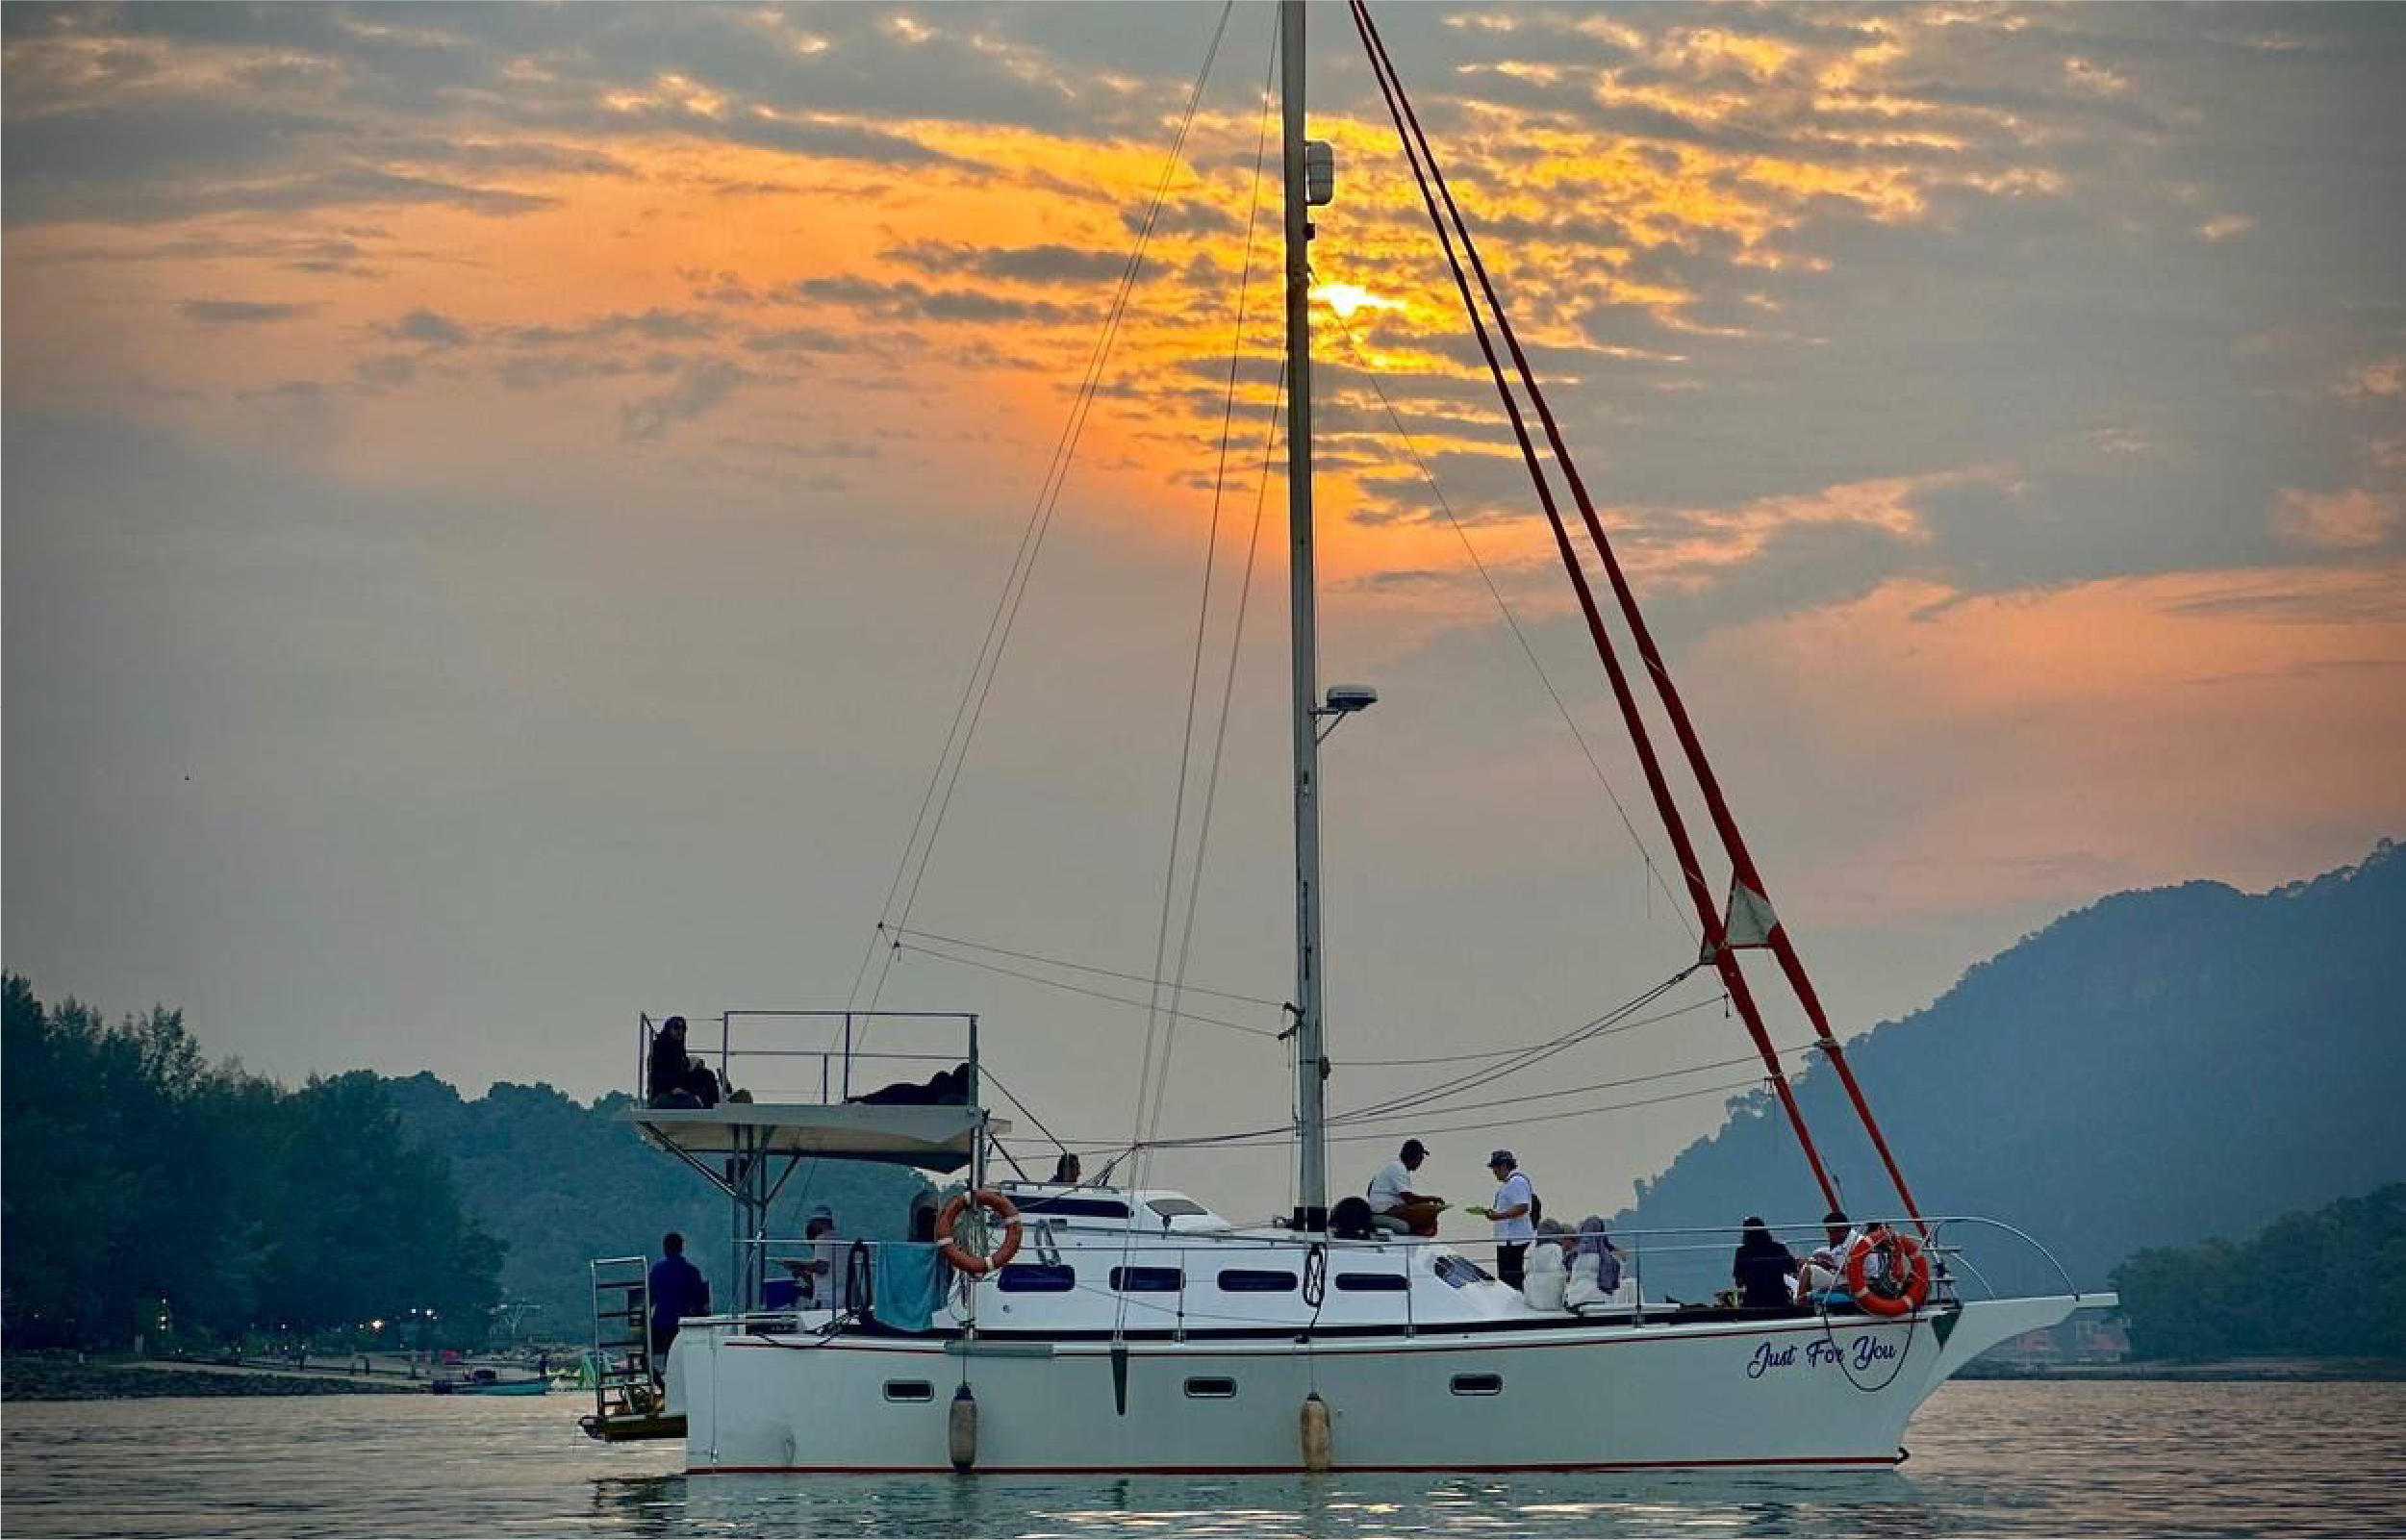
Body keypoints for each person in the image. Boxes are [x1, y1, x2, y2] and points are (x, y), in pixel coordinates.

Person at [1468, 1149, 1536, 1290]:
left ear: (1504, 1166)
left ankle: (1515, 1303)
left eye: (1495, 1168)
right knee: (1508, 1276)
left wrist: (1498, 1216)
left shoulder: (1516, 1182)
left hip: (1513, 1239)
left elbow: (1522, 1207)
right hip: (1509, 1240)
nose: (1494, 1172)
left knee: (1510, 1278)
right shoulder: (1509, 1183)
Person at [646, 1232, 710, 1380]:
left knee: (644, 1358)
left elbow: (650, 1299)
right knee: (679, 1358)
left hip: (662, 1325)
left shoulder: (657, 1271)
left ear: (665, 1249)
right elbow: (701, 1302)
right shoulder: (692, 1272)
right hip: (684, 1327)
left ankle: (664, 1387)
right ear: (681, 1248)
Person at [1365, 1138, 1443, 1237]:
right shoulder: (1399, 1168)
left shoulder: (1393, 1166)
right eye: (1421, 1158)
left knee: (1427, 1210)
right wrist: (1433, 1199)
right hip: (1385, 1210)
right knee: (1429, 1210)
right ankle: (1419, 1232)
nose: (1421, 1162)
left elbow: (1369, 1190)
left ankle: (1420, 1230)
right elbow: (1409, 1199)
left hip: (1383, 1208)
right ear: (1413, 1157)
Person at [646, 1016, 720, 1109]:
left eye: (683, 1028)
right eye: (676, 1027)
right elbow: (656, 1074)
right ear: (668, 1029)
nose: (680, 1031)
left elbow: (683, 1070)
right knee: (704, 1077)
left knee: (707, 1075)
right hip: (665, 1088)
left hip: (681, 1082)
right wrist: (671, 1089)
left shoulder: (679, 1048)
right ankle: (709, 1105)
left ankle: (715, 1105)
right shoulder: (659, 1047)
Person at [1732, 1216, 1798, 1309]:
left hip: (1753, 1301)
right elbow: (1792, 1268)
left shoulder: (1742, 1252)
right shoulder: (1778, 1248)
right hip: (1779, 1299)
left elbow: (1739, 1282)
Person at [1796, 1208, 1860, 1305]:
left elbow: (1859, 1274)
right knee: (1807, 1265)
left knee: (1808, 1270)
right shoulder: (1842, 1243)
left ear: (1842, 1231)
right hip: (1841, 1279)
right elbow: (1836, 1261)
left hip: (1849, 1283)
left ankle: (1800, 1306)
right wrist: (1820, 1262)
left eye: (1830, 1233)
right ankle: (1804, 1302)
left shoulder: (1857, 1244)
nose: (1828, 1236)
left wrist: (1831, 1266)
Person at [1564, 1216, 1624, 1315]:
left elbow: (1568, 1272)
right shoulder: (1608, 1257)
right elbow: (1616, 1277)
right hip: (1601, 1300)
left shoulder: (1575, 1254)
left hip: (1575, 1300)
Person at [796, 1205, 845, 1312]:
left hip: (827, 1298)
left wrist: (799, 1265)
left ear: (818, 1223)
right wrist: (804, 1274)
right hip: (842, 1296)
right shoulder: (840, 1239)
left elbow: (822, 1268)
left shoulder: (822, 1239)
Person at [1523, 1219, 1571, 1310]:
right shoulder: (1556, 1249)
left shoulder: (1535, 1250)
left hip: (1533, 1300)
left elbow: (1527, 1272)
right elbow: (1559, 1274)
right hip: (1551, 1302)